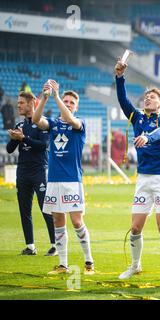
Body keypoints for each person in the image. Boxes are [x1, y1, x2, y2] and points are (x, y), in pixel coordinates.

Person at [114, 58, 160, 281]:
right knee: (135, 227)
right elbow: (123, 101)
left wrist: (147, 137)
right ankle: (135, 265)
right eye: (147, 96)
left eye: (153, 97)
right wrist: (120, 77)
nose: (148, 98)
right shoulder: (137, 117)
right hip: (143, 179)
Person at [32, 80, 95, 275]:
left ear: (76, 107)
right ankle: (63, 264)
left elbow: (69, 118)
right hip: (53, 180)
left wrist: (57, 96)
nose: (68, 104)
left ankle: (89, 262)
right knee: (58, 220)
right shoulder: (53, 124)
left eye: (71, 103)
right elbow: (35, 120)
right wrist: (44, 98)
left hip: (72, 181)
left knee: (77, 222)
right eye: (65, 101)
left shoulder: (79, 124)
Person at [6, 91, 56, 256]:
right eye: (18, 102)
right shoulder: (20, 125)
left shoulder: (41, 124)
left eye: (21, 103)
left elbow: (43, 146)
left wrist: (24, 139)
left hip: (39, 171)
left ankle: (55, 245)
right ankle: (30, 246)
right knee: (24, 209)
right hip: (23, 172)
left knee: (45, 208)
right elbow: (9, 149)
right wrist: (15, 138)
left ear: (31, 104)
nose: (18, 105)